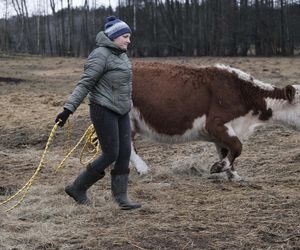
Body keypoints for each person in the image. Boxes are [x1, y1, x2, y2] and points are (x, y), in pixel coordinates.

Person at [55, 16, 141, 210]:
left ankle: (121, 198)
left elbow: (125, 84)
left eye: (129, 36)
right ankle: (77, 188)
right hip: (103, 109)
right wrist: (68, 110)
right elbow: (85, 83)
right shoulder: (100, 54)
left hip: (122, 110)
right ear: (113, 36)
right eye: (125, 36)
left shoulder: (121, 54)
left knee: (125, 152)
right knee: (111, 153)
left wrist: (129, 105)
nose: (128, 40)